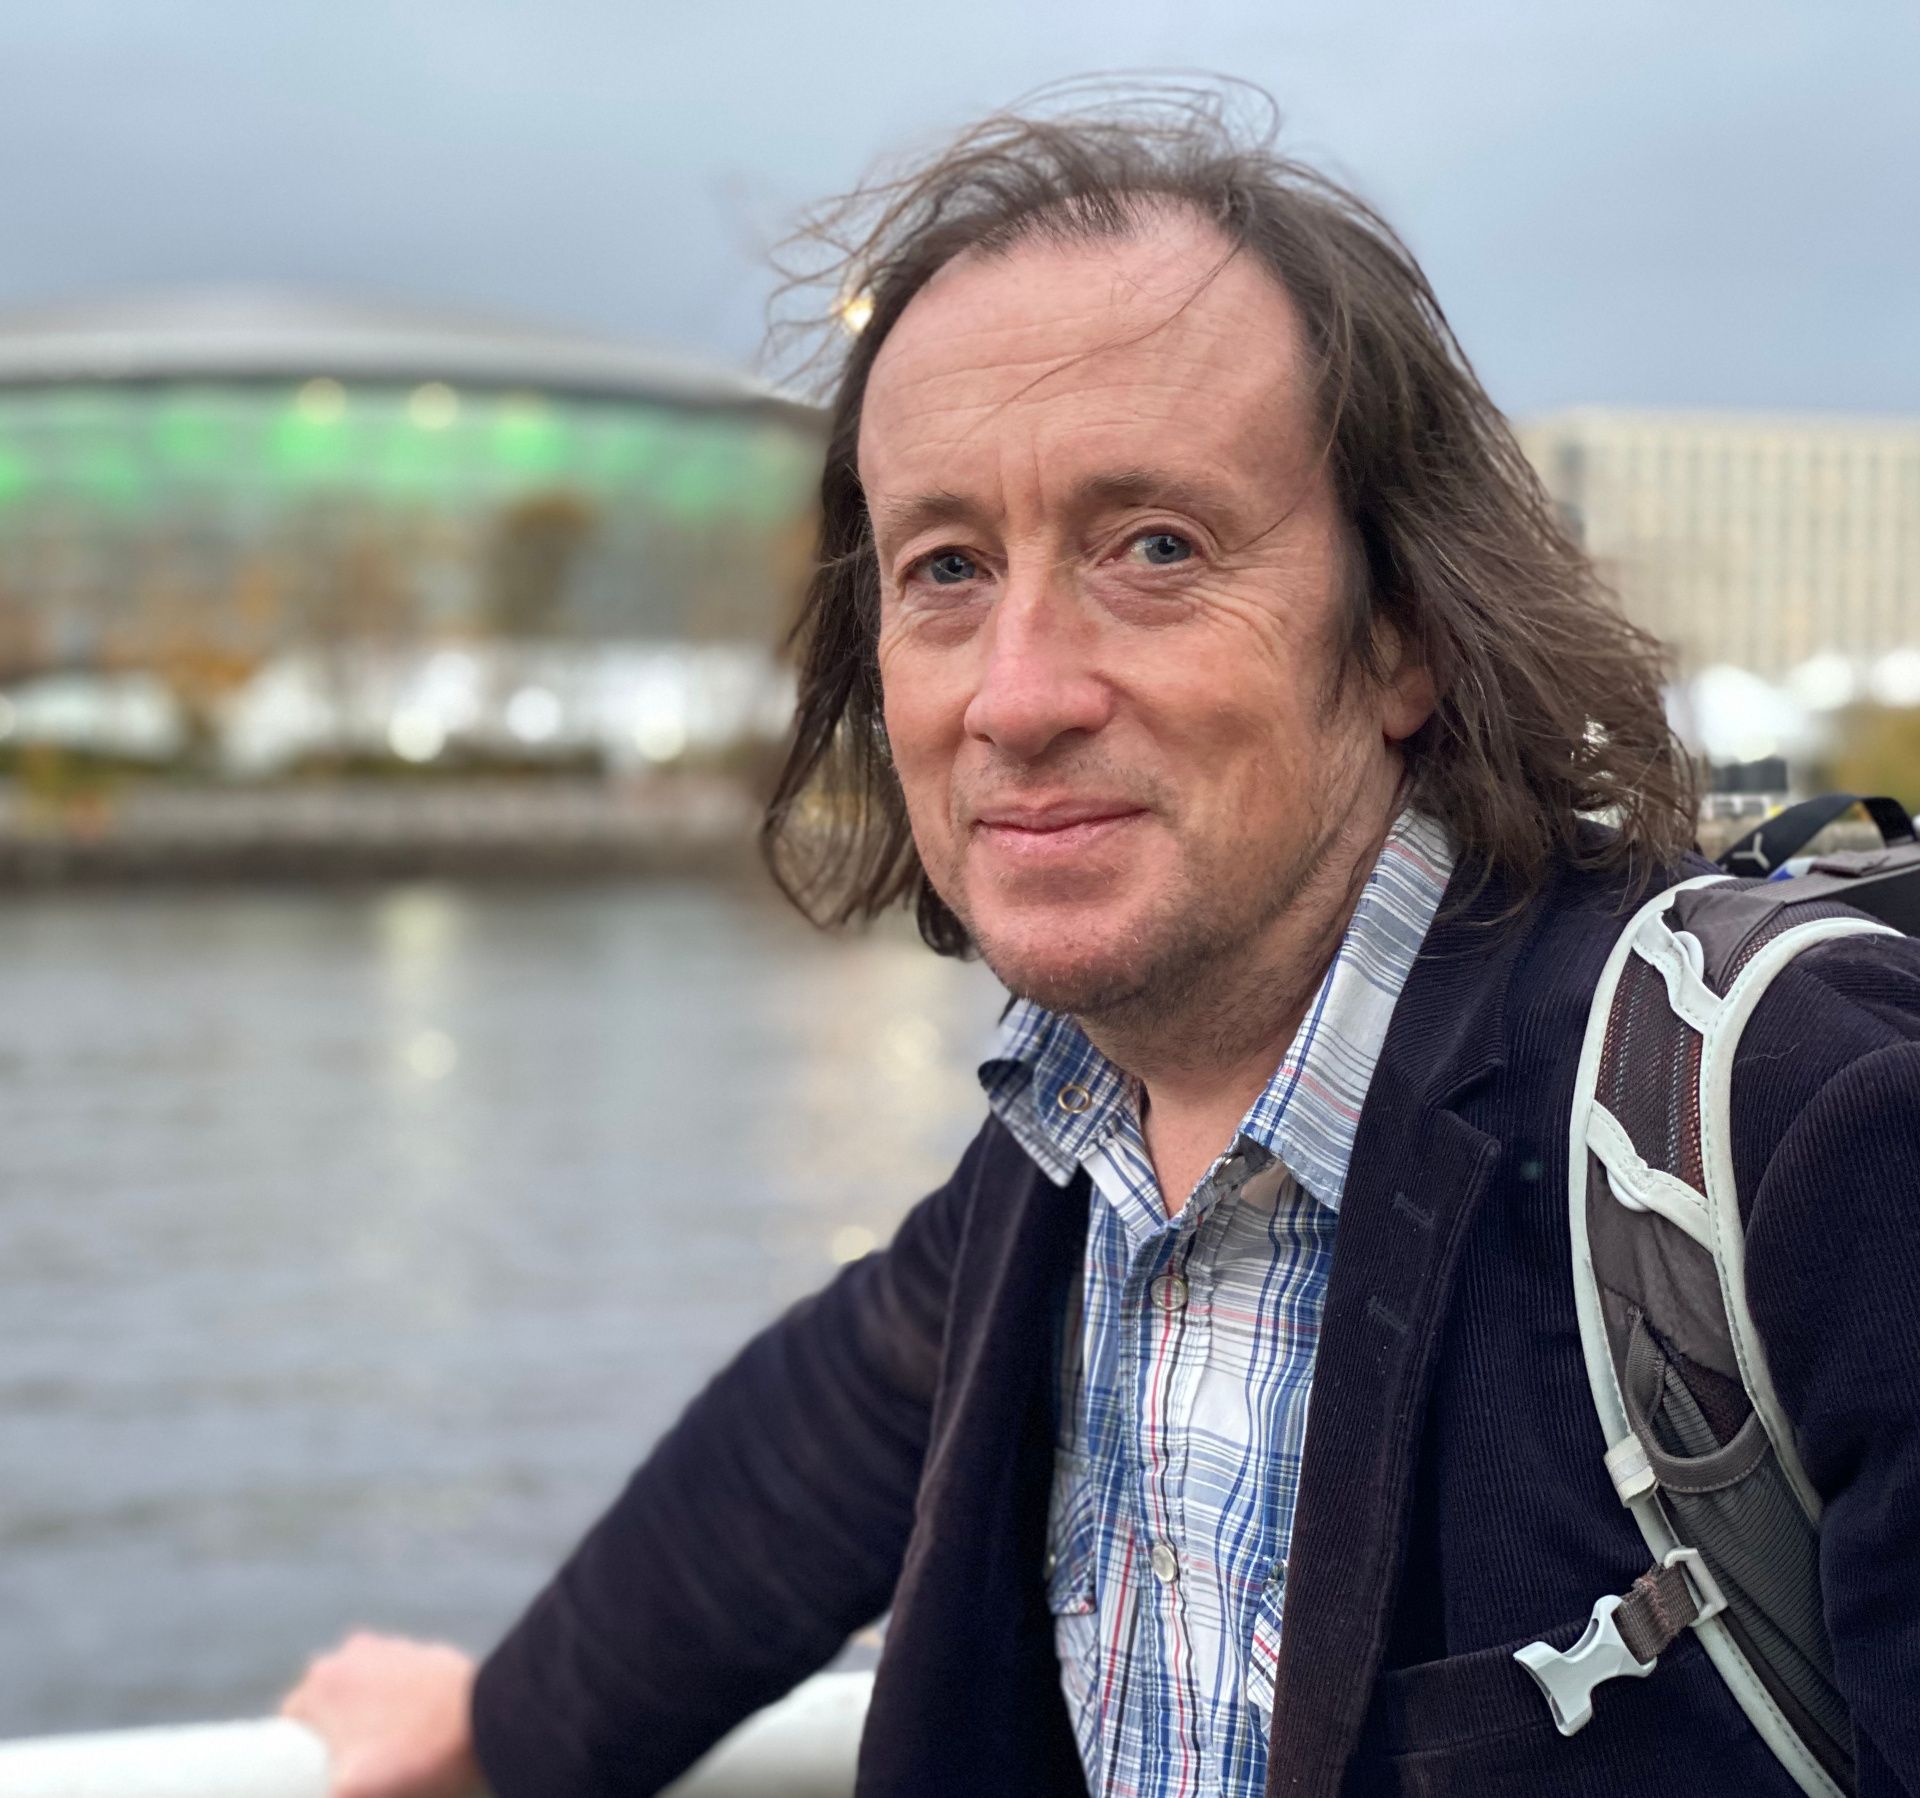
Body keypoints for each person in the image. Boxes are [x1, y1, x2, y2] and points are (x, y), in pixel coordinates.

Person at [280, 85, 1920, 1798]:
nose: (1018, 694)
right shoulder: (1074, 1166)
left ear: (1404, 633)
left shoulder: (1804, 1132)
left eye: (1155, 547)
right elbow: (794, 1465)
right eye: (945, 567)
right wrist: (489, 1731)